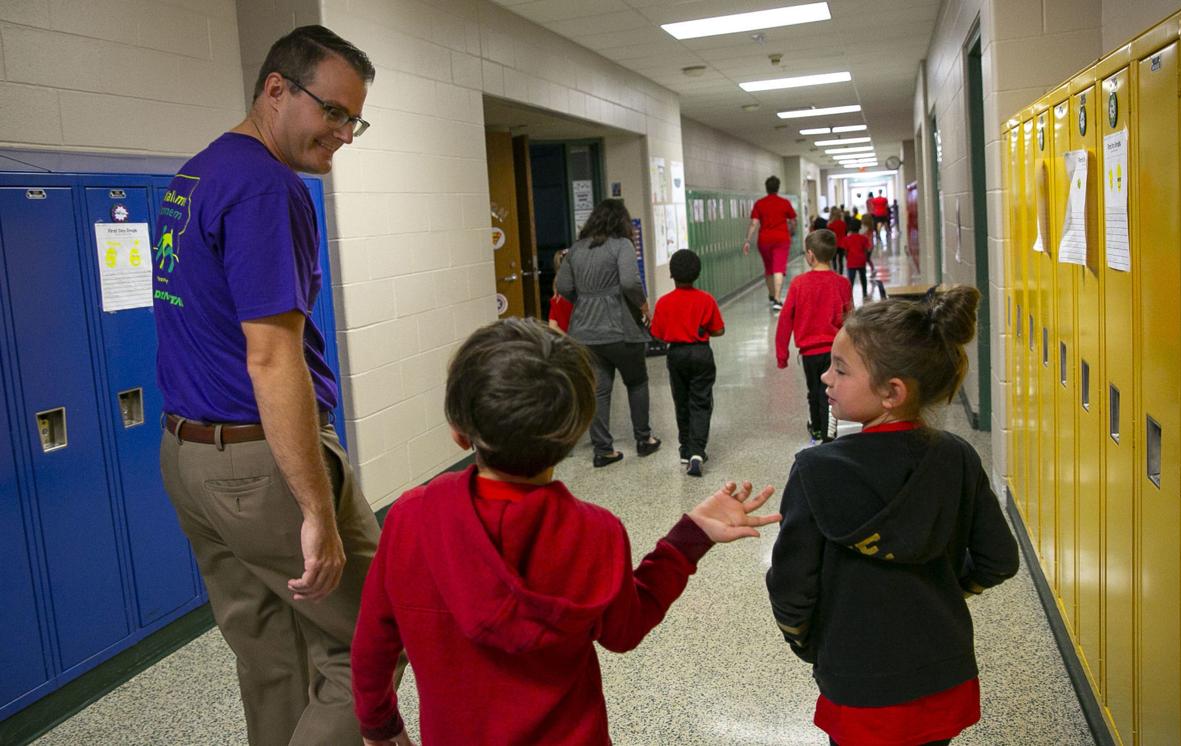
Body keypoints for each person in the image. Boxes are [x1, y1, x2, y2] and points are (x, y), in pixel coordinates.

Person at [350, 318, 780, 745]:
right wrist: (688, 539)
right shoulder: (596, 533)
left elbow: (374, 638)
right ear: (574, 433)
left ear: (459, 432)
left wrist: (379, 725)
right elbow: (624, 631)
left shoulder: (410, 518)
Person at [153, 26, 388, 745]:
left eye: (355, 120)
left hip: (189, 459)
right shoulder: (267, 187)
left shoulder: (199, 173)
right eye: (333, 111)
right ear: (276, 89)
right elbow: (272, 356)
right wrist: (315, 507)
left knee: (272, 658)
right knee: (373, 639)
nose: (344, 133)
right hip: (261, 468)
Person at [766, 286, 1020, 746]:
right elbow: (999, 559)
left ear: (892, 393)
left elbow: (791, 583)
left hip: (859, 686)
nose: (825, 377)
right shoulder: (958, 457)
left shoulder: (814, 471)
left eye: (840, 369)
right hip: (943, 676)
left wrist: (806, 638)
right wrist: (954, 585)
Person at [556, 199, 661, 467]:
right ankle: (644, 439)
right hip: (620, 329)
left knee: (599, 390)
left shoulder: (577, 249)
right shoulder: (622, 245)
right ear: (622, 222)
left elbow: (563, 286)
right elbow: (629, 281)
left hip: (584, 333)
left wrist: (585, 300)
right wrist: (642, 304)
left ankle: (603, 450)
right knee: (636, 382)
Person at [650, 249, 725, 477]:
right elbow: (719, 330)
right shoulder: (706, 299)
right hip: (701, 353)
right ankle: (697, 453)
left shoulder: (664, 302)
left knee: (681, 400)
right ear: (698, 273)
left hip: (676, 355)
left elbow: (657, 334)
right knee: (701, 401)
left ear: (671, 274)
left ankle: (685, 449)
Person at [775, 230, 852, 444]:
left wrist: (782, 355)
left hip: (809, 353)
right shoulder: (842, 283)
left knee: (814, 390)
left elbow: (785, 319)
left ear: (810, 255)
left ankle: (818, 429)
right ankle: (829, 432)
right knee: (830, 391)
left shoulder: (799, 283)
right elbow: (850, 319)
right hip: (834, 350)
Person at [743, 175, 797, 311]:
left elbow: (754, 223)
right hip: (781, 239)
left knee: (769, 269)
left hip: (764, 240)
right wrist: (791, 231)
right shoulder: (784, 203)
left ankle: (772, 295)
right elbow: (793, 221)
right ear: (778, 188)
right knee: (779, 268)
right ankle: (777, 299)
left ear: (766, 188)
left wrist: (747, 240)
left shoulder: (759, 203)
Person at [843, 217, 872, 299]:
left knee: (851, 279)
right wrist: (864, 257)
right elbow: (866, 249)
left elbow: (845, 252)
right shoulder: (864, 238)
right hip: (861, 260)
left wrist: (847, 258)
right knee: (863, 278)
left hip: (851, 261)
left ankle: (849, 295)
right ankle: (865, 293)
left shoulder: (846, 239)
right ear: (860, 227)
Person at [547, 249, 574, 333]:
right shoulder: (580, 296)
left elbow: (552, 326)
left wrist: (568, 339)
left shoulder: (555, 299)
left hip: (567, 339)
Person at [826, 207, 847, 274]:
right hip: (842, 243)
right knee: (840, 260)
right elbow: (845, 233)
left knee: (834, 259)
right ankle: (841, 273)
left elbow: (828, 234)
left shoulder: (831, 224)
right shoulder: (843, 224)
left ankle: (835, 271)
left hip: (834, 243)